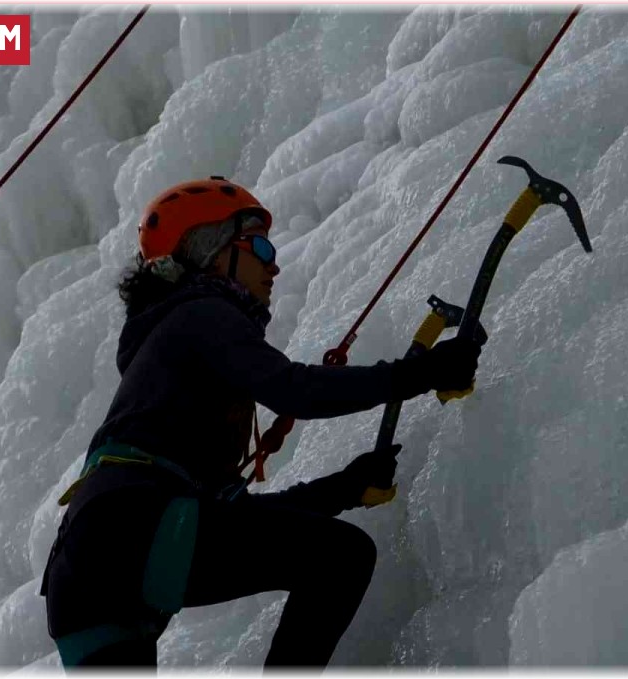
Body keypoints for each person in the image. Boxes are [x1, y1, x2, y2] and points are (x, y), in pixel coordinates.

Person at [39, 176, 481, 670]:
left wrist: (340, 489)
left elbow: (232, 520)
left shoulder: (171, 353)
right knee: (340, 558)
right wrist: (419, 373)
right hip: (130, 526)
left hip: (88, 576)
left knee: (330, 553)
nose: (274, 263)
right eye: (260, 245)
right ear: (212, 252)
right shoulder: (201, 312)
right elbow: (293, 389)